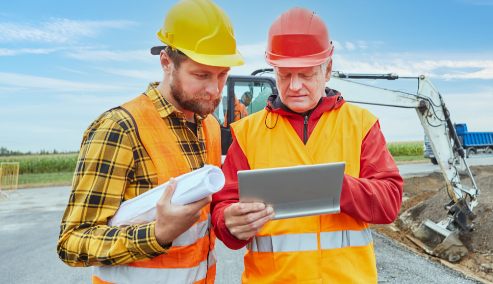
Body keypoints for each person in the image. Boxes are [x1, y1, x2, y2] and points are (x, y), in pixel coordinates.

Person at [211, 7, 404, 283]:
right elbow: (223, 212)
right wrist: (229, 222)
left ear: (327, 70)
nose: (294, 86)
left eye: (306, 74)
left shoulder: (361, 125)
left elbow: (390, 203)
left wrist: (335, 186)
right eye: (285, 75)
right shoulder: (247, 133)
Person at [56, 0, 244, 283]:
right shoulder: (119, 129)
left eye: (222, 75)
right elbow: (73, 241)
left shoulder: (211, 126)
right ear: (167, 63)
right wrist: (157, 234)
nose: (214, 89)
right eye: (201, 75)